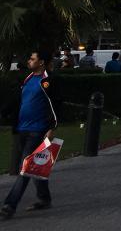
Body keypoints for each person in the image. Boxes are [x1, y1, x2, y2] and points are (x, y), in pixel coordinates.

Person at [1, 51, 56, 219]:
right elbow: (20, 101)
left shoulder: (48, 80)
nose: (29, 61)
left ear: (41, 62)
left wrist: (52, 127)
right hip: (22, 129)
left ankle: (9, 205)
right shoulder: (28, 79)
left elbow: (56, 104)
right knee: (34, 165)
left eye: (32, 58)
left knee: (25, 168)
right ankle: (44, 198)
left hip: (37, 130)